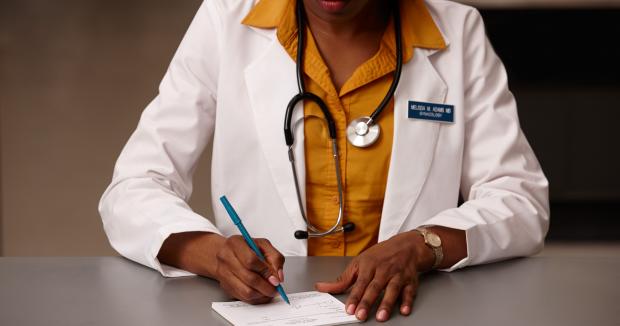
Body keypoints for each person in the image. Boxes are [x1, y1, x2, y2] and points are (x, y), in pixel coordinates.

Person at [99, 0, 549, 322]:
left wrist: (421, 246)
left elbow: (520, 197)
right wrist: (214, 255)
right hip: (272, 313)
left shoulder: (458, 30)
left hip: (410, 311)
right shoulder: (225, 22)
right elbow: (133, 188)